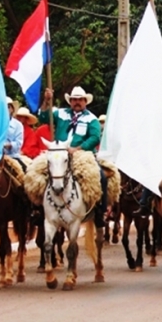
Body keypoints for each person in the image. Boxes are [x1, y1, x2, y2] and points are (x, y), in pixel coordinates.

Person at [38, 86, 107, 225]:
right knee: (37, 175)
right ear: (70, 101)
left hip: (83, 155)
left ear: (85, 101)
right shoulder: (60, 113)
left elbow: (95, 137)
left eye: (80, 100)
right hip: (59, 153)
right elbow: (43, 117)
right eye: (74, 99)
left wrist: (78, 148)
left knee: (102, 177)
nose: (77, 102)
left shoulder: (91, 119)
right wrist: (46, 101)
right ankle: (37, 209)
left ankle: (100, 210)